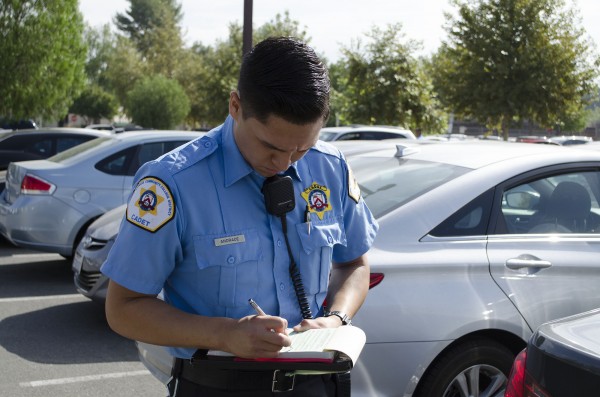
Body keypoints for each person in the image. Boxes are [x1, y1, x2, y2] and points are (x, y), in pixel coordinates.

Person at [102, 36, 378, 396]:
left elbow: (355, 263)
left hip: (315, 382)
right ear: (235, 105)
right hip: (218, 384)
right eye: (272, 147)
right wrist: (225, 334)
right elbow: (123, 308)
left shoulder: (330, 167)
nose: (284, 164)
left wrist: (336, 318)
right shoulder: (172, 184)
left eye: (301, 149)